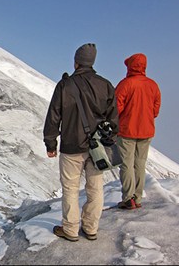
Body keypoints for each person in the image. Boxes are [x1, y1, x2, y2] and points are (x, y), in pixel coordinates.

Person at [43, 43, 118, 241]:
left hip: (71, 146)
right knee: (95, 188)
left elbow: (54, 116)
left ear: (76, 62)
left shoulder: (65, 85)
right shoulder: (106, 85)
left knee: (70, 188)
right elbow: (114, 119)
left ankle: (70, 229)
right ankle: (91, 228)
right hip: (97, 149)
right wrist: (107, 140)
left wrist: (51, 143)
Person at [115, 53, 161, 210]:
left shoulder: (126, 84)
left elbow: (116, 108)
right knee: (140, 164)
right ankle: (138, 197)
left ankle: (128, 198)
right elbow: (155, 110)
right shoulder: (153, 85)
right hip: (146, 130)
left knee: (126, 164)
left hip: (127, 130)